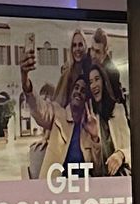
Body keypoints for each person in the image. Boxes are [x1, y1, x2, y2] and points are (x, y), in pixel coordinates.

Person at [20, 32, 104, 179]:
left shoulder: (90, 127)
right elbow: (43, 109)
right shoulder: (59, 111)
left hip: (83, 189)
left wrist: (96, 136)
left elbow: (98, 170)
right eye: (76, 88)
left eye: (80, 45)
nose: (77, 49)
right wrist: (25, 77)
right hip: (56, 189)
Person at [84, 55, 133, 176]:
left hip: (122, 178)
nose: (94, 85)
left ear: (104, 81)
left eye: (97, 79)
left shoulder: (118, 110)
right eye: (90, 82)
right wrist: (95, 138)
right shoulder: (90, 118)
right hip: (103, 182)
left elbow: (132, 151)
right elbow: (96, 170)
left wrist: (120, 155)